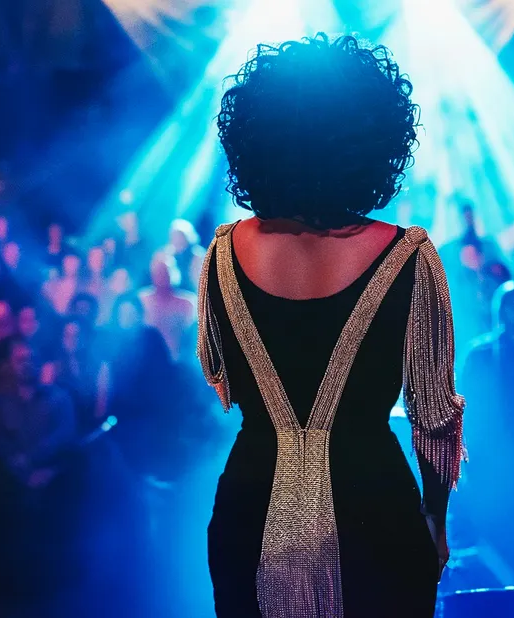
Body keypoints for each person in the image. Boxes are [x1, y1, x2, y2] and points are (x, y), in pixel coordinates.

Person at [198, 34, 465, 617]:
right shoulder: (408, 255)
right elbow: (435, 418)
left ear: (256, 137)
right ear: (371, 138)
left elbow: (222, 379)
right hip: (371, 501)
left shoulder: (222, 253)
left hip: (250, 502)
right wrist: (435, 519)